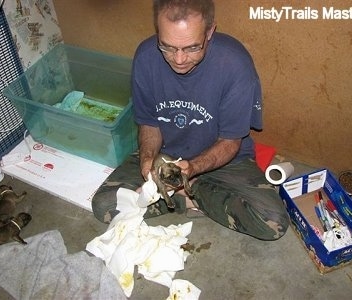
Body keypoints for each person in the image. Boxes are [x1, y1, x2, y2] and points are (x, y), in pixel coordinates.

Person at [92, 0, 289, 241]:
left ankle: (189, 192)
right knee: (104, 205)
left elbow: (230, 142)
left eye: (192, 48)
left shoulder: (235, 64)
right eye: (167, 47)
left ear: (210, 32)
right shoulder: (145, 58)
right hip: (165, 155)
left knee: (271, 223)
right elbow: (150, 124)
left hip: (224, 159)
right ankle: (191, 199)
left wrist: (191, 173)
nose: (179, 59)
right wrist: (147, 163)